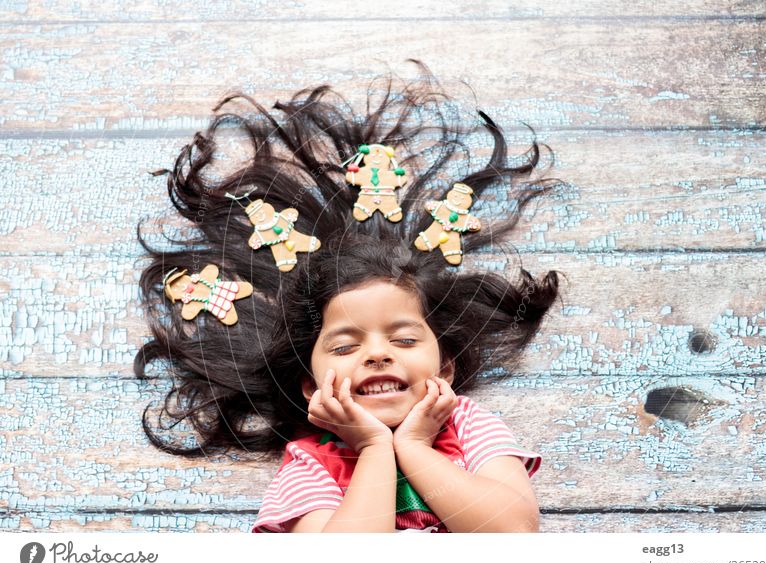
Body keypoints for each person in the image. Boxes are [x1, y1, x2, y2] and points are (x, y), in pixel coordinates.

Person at [134, 62, 563, 532]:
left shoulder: (467, 425)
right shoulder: (311, 463)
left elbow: (514, 534)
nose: (377, 354)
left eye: (403, 340)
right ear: (312, 387)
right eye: (344, 347)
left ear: (444, 368)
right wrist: (375, 449)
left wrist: (416, 448)